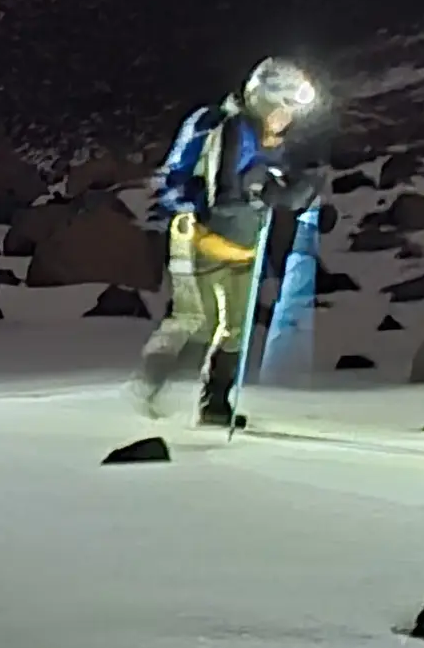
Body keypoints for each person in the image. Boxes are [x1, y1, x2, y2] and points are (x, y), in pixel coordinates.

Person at [137, 57, 321, 428]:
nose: (288, 119)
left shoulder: (268, 140)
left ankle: (216, 405)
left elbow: (270, 185)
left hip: (243, 244)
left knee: (236, 327)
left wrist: (285, 191)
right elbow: (224, 192)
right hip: (201, 237)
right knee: (196, 321)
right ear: (265, 101)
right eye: (285, 108)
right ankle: (150, 385)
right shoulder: (227, 129)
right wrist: (263, 191)